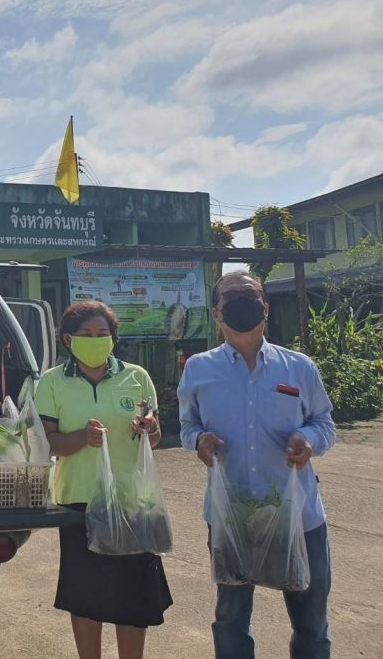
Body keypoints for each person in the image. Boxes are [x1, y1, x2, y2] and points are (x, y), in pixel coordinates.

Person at [178, 271, 335, 659]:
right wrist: (198, 440)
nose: (240, 302)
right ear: (217, 313)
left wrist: (308, 439)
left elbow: (324, 424)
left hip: (299, 517)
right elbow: (187, 426)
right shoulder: (198, 369)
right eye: (229, 298)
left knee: (311, 624)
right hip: (232, 516)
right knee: (231, 619)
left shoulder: (298, 367)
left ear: (264, 306)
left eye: (249, 295)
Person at [36, 301, 171, 659]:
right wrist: (82, 437)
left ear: (113, 338)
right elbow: (47, 445)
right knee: (86, 596)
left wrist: (150, 429)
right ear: (68, 339)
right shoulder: (51, 383)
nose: (96, 340)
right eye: (86, 335)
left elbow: (153, 439)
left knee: (133, 596)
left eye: (103, 334)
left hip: (132, 501)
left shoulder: (137, 376)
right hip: (79, 502)